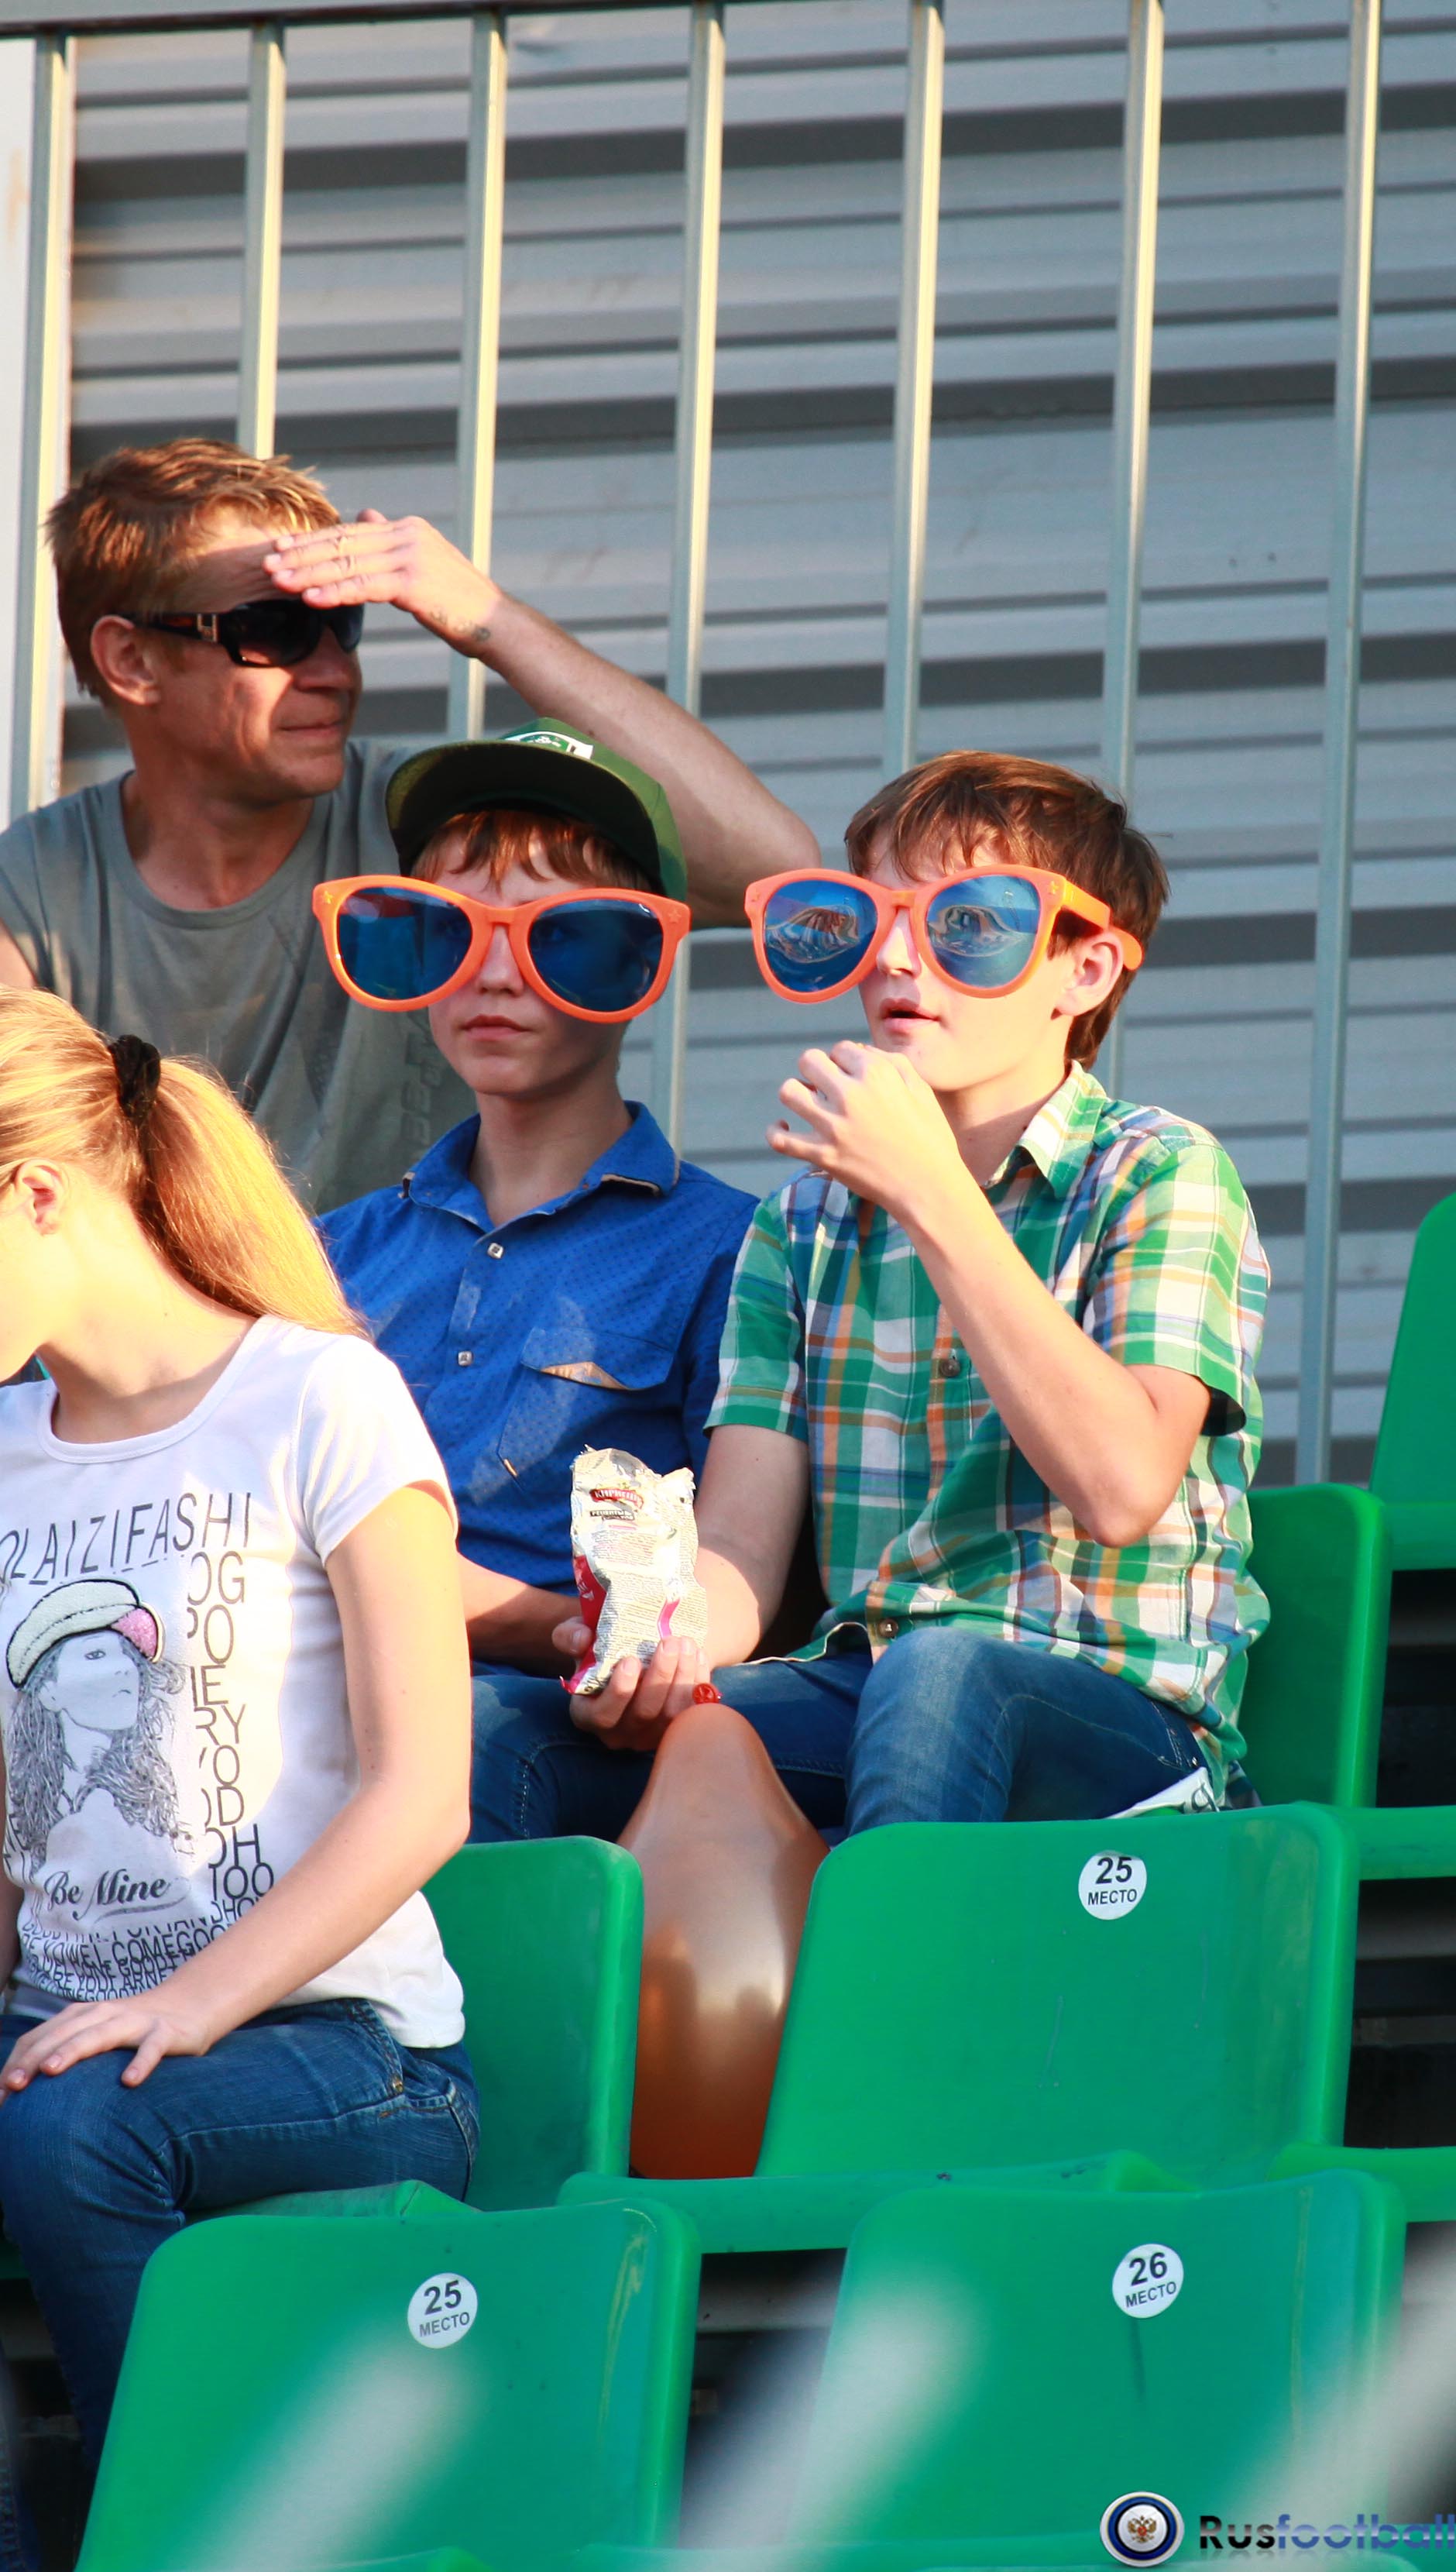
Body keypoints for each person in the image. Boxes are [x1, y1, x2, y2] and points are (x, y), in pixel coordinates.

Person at [546, 750, 1272, 1835]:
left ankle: (895, 1959)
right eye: (870, 917)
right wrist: (662, 1639)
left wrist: (931, 1192)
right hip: (867, 1682)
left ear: (1085, 971)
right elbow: (741, 1549)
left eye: (966, 923)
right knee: (507, 1735)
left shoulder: (1160, 1170)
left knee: (941, 1674)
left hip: (1122, 1719)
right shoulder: (798, 1223)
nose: (895, 955)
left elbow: (1121, 1485)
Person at [0, 988, 476, 2569]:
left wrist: (190, 2002)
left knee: (77, 2132)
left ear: (38, 1193)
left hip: (336, 2048)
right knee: (66, 2104)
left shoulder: (320, 1397)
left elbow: (425, 1794)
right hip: (61, 2027)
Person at [0, 439, 818, 1212]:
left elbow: (774, 873)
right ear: (132, 659)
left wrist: (488, 619)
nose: (333, 671)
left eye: (343, 624)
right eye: (274, 630)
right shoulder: (34, 893)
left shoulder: (439, 828)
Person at [316, 734, 755, 1843]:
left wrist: (515, 1620)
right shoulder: (325, 1253)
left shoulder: (734, 1249)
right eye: (449, 932)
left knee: (457, 1740)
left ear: (643, 962)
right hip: (311, 1692)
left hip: (551, 1728)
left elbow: (748, 1581)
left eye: (562, 935)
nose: (496, 975)